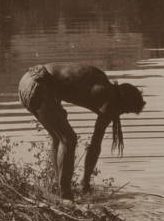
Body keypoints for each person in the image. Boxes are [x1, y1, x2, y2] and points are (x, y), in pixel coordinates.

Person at [18, 62, 145, 200]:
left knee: (58, 137)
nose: (120, 114)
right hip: (40, 85)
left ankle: (56, 186)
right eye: (125, 111)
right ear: (123, 102)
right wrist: (85, 182)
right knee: (69, 139)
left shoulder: (101, 81)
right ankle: (65, 195)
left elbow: (63, 82)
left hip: (27, 80)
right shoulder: (108, 96)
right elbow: (95, 144)